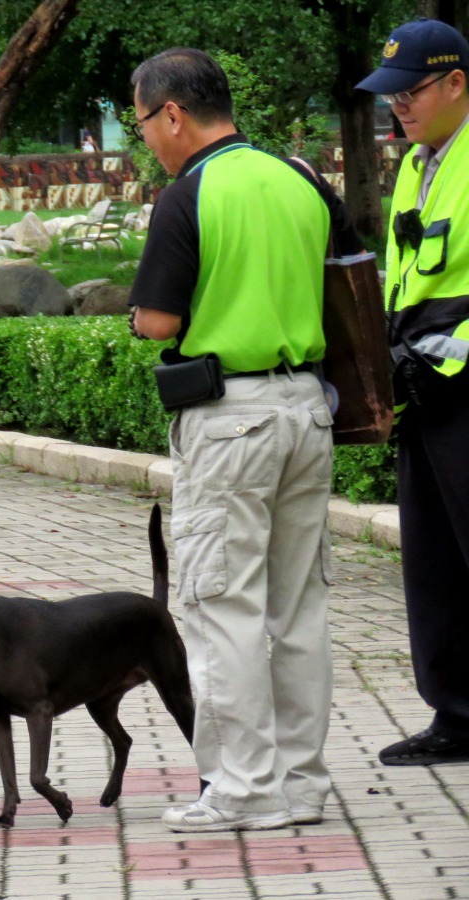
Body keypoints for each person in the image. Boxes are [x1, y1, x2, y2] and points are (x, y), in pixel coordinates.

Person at [127, 48, 361, 833]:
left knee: (219, 605)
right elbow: (346, 278)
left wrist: (151, 317)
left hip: (230, 420)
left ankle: (242, 790)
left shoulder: (188, 194)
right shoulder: (299, 179)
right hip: (307, 408)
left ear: (172, 114)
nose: (146, 143)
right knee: (297, 609)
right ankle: (301, 786)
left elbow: (157, 322)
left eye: (143, 126)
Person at [356, 19, 469, 767]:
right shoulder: (418, 164)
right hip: (422, 391)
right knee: (431, 564)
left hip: (463, 389)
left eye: (412, 91)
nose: (398, 106)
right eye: (390, 96)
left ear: (457, 82)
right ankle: (457, 716)